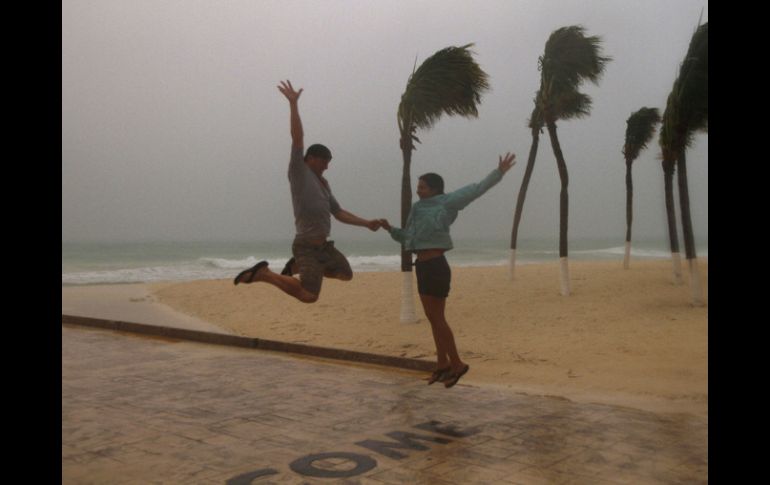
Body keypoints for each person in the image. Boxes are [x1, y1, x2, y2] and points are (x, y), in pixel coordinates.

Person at [234, 80, 381, 303]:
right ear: (310, 159)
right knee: (309, 295)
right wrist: (293, 104)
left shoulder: (324, 184)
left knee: (345, 274)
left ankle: (295, 266)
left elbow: (339, 212)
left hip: (324, 247)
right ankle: (265, 274)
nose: (327, 166)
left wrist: (367, 223)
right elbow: (297, 138)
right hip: (306, 245)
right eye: (324, 161)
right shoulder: (299, 172)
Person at [379, 152, 516, 388]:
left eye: (422, 187)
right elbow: (409, 236)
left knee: (439, 319)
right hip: (421, 266)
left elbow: (476, 189)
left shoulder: (447, 201)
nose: (418, 190)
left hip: (436, 266)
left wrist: (499, 172)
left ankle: (457, 364)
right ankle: (441, 364)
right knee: (433, 319)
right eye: (418, 187)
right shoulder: (417, 208)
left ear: (434, 189)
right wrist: (389, 228)